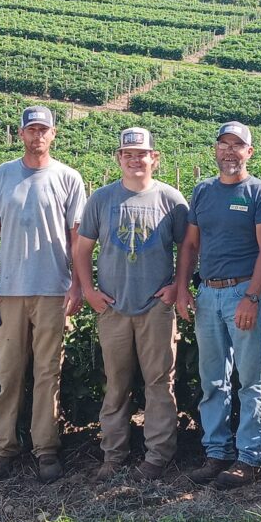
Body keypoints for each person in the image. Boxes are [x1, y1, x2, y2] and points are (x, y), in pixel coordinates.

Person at [0, 105, 87, 484]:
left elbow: (77, 238)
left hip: (53, 292)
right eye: (31, 130)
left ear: (53, 135)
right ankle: (3, 449)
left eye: (44, 130)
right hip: (10, 291)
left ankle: (46, 450)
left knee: (47, 373)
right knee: (9, 374)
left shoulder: (69, 178)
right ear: (20, 134)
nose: (37, 136)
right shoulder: (2, 176)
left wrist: (78, 283)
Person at [74, 127, 189, 482]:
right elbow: (81, 249)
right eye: (128, 154)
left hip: (157, 308)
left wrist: (176, 287)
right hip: (113, 308)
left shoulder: (172, 200)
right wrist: (89, 290)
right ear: (118, 159)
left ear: (155, 158)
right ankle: (113, 454)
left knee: (159, 383)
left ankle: (158, 456)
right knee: (116, 383)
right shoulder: (101, 199)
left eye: (142, 153)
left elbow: (188, 248)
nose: (135, 159)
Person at [176, 121, 261, 489]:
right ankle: (216, 452)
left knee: (251, 378)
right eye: (224, 144)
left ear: (250, 152)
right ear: (215, 150)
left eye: (238, 145)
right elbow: (189, 246)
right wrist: (183, 289)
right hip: (208, 294)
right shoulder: (202, 192)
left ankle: (249, 457)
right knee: (213, 379)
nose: (230, 151)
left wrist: (252, 296)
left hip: (243, 293)